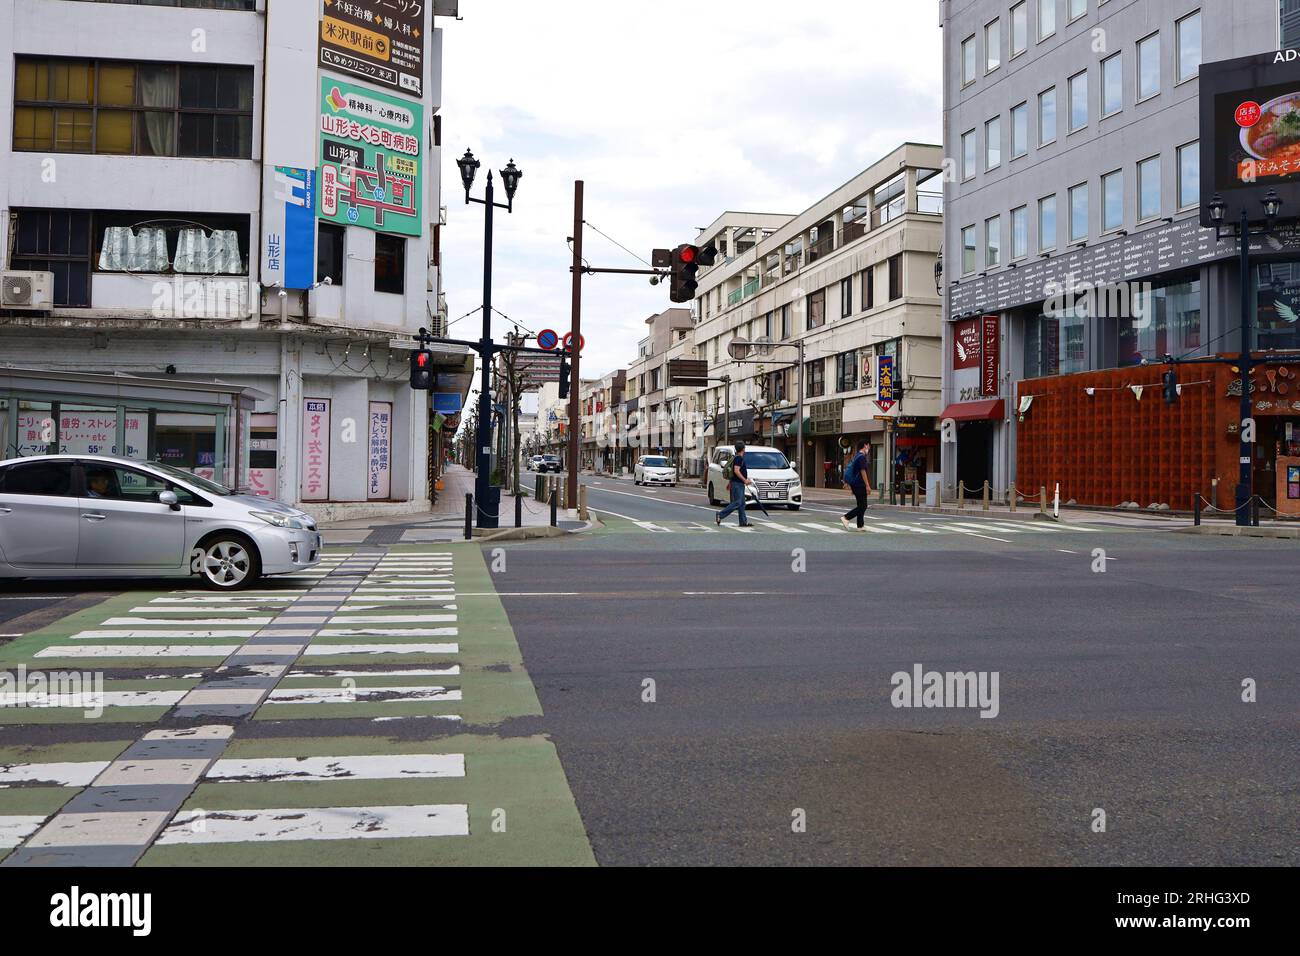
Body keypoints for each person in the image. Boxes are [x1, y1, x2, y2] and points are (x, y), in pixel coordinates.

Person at [715, 441, 754, 526]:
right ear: (743, 449)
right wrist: (745, 480)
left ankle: (743, 522)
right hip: (738, 484)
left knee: (742, 504)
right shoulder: (739, 458)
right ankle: (720, 514)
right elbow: (736, 471)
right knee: (737, 503)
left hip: (736, 483)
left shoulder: (735, 457)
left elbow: (733, 471)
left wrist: (731, 482)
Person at [841, 440, 873, 530]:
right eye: (868, 446)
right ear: (865, 445)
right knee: (863, 505)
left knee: (860, 505)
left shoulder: (856, 456)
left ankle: (860, 525)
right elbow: (863, 471)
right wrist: (867, 485)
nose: (869, 448)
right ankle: (846, 517)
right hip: (859, 484)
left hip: (855, 484)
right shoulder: (861, 457)